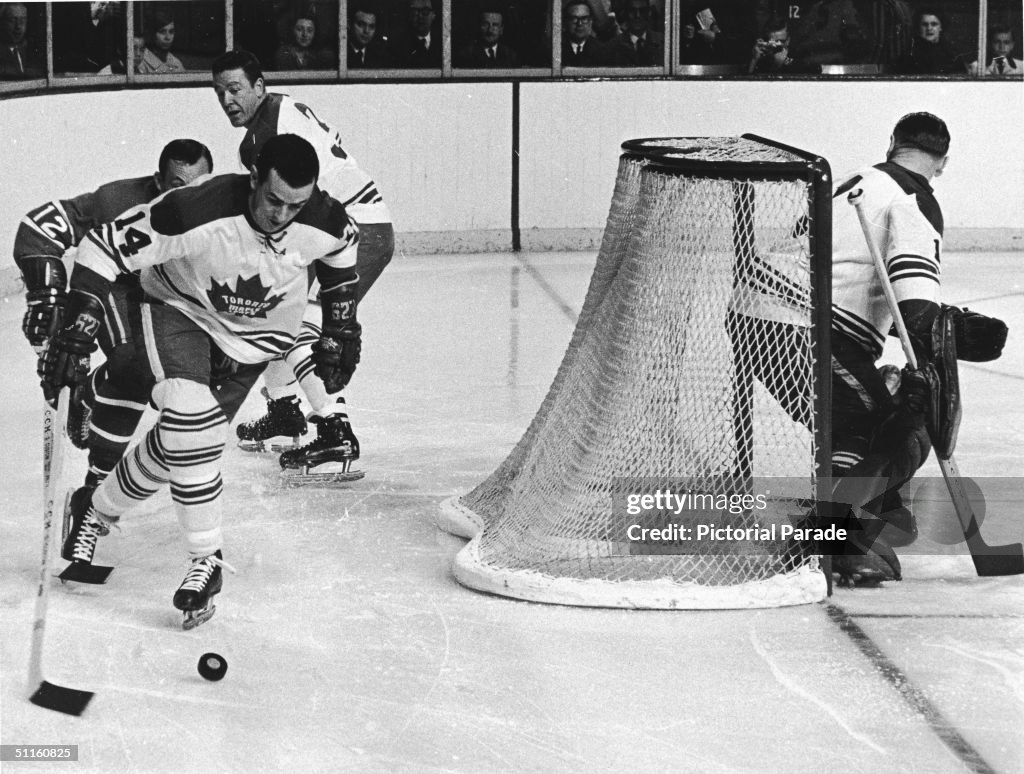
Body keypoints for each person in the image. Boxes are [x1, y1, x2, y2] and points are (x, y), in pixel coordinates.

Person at [39, 134, 361, 628]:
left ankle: (94, 511)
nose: (281, 215)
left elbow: (342, 257)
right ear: (252, 178)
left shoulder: (325, 219)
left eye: (295, 205)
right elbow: (103, 247)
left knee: (184, 445)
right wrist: (81, 323)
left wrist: (341, 325)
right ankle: (206, 560)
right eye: (273, 200)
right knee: (190, 419)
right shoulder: (192, 210)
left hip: (253, 341)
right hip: (179, 312)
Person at [211, 50, 394, 478]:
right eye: (219, 92)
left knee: (297, 327)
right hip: (349, 225)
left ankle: (335, 430)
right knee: (276, 312)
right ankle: (284, 411)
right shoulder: (282, 110)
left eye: (235, 89)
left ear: (259, 87)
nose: (226, 99)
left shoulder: (263, 137)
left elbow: (280, 211)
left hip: (351, 232)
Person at [15, 140, 213, 485]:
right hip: (115, 286)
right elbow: (38, 228)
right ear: (158, 181)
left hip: (168, 297)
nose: (190, 198)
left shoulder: (223, 211)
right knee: (132, 361)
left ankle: (90, 394)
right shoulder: (118, 201)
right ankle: (94, 442)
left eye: (201, 186)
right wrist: (46, 297)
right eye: (179, 186)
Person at [898, 9, 963, 74]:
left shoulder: (951, 54)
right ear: (918, 28)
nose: (929, 28)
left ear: (941, 27)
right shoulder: (910, 55)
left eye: (934, 24)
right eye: (924, 24)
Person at [747, 16, 817, 74]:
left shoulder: (798, 54)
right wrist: (754, 60)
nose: (778, 45)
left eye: (781, 41)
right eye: (773, 42)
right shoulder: (761, 56)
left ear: (788, 40)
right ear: (766, 41)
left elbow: (815, 71)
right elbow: (746, 86)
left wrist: (787, 62)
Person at [562, 1, 622, 66]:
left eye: (584, 18)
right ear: (565, 22)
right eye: (574, 19)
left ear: (591, 21)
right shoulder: (554, 48)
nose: (579, 23)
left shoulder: (602, 51)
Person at [456, 8, 521, 68]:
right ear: (479, 27)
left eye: (495, 25)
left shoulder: (511, 56)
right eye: (485, 24)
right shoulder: (466, 55)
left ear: (501, 30)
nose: (490, 30)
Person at [389, 0, 442, 68]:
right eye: (415, 12)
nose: (420, 16)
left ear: (433, 15)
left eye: (425, 11)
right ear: (409, 15)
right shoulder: (398, 45)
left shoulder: (444, 43)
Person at [615, 0, 663, 66]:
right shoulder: (614, 46)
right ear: (626, 13)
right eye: (632, 11)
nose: (638, 15)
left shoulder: (664, 42)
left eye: (642, 11)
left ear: (649, 12)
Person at [136, 9, 185, 74]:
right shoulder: (140, 61)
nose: (168, 37)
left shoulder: (176, 63)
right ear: (152, 34)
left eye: (171, 32)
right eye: (162, 32)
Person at [0, 2, 42, 79]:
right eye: (12, 20)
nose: (18, 26)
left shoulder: (31, 49)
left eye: (22, 20)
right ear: (2, 23)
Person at [347, 3, 390, 69]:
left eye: (371, 26)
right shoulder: (338, 54)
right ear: (349, 24)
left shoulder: (380, 55)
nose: (366, 31)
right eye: (361, 24)